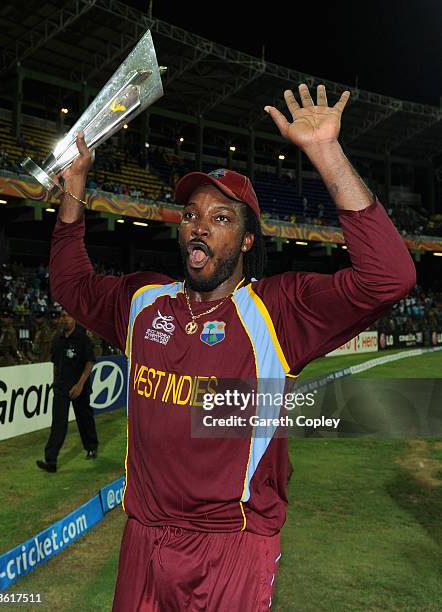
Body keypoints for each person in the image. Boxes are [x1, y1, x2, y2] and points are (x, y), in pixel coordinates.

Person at [49, 84, 415, 610]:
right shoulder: (143, 301)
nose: (199, 227)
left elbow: (389, 277)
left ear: (247, 240)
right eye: (193, 215)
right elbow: (70, 285)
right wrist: (74, 188)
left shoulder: (280, 311)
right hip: (144, 538)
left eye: (221, 218)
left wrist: (326, 152)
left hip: (232, 546)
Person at [36, 310, 98, 473]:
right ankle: (51, 461)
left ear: (74, 319)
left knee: (84, 418)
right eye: (62, 316)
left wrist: (80, 385)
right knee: (58, 423)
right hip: (61, 388)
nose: (64, 319)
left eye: (67, 316)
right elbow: (55, 363)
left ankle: (91, 447)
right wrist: (55, 382)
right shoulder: (57, 340)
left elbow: (90, 362)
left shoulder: (83, 339)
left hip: (79, 387)